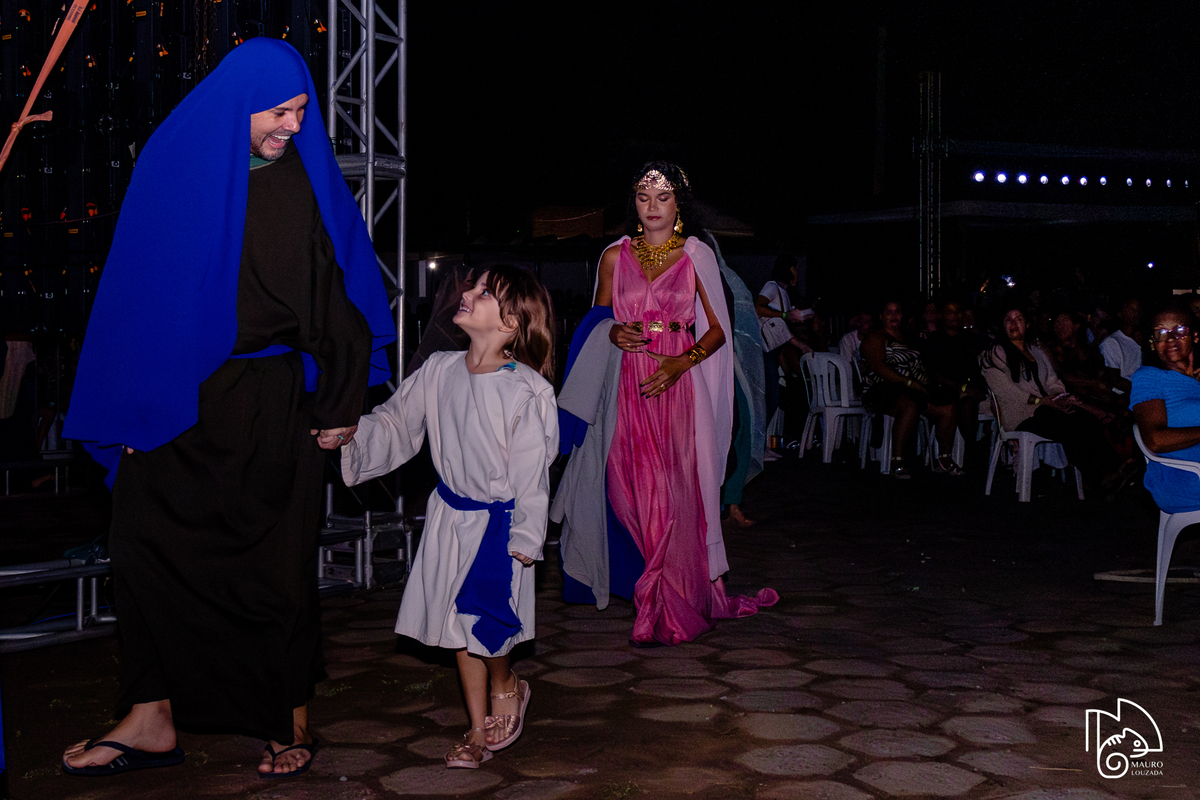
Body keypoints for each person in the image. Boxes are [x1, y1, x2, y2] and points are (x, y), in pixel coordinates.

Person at [60, 38, 395, 778]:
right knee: (141, 548)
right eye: (279, 112)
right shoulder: (171, 167)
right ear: (234, 106)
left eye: (302, 112)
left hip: (274, 403)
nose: (293, 129)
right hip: (178, 403)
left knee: (274, 569)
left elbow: (335, 296)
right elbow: (136, 301)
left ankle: (287, 719)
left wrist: (340, 401)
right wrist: (132, 413)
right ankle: (151, 717)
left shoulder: (298, 181)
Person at [337, 266, 558, 768]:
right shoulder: (438, 369)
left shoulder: (525, 390)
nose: (467, 293)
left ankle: (507, 681)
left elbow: (531, 473)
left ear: (509, 326)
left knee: (489, 623)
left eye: (484, 293)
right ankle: (477, 731)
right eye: (473, 287)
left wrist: (526, 529)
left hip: (498, 525)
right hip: (451, 517)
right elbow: (397, 423)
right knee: (459, 626)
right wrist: (353, 435)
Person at [555, 161, 776, 647]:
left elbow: (718, 331)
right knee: (628, 492)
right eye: (642, 196)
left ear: (680, 205)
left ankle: (667, 598)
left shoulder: (696, 256)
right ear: (632, 204)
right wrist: (614, 330)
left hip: (677, 385)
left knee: (673, 494)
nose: (652, 206)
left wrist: (682, 363)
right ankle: (649, 586)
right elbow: (597, 320)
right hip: (628, 386)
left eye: (663, 197)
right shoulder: (614, 256)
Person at [980, 305, 1134, 495]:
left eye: (1018, 319)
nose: (1013, 324)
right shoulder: (996, 354)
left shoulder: (1035, 350)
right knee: (1067, 423)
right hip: (1021, 414)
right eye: (1008, 320)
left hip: (1047, 408)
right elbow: (1004, 390)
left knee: (1080, 417)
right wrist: (1041, 401)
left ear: (1027, 324)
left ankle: (1114, 470)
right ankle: (1103, 476)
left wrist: (1060, 396)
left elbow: (1052, 380)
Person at [860, 299, 963, 477]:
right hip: (884, 389)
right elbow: (878, 367)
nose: (894, 316)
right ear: (881, 316)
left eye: (897, 311)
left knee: (948, 408)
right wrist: (909, 382)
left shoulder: (910, 336)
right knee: (910, 405)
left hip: (915, 388)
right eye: (889, 312)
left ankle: (944, 458)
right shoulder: (876, 337)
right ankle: (897, 460)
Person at [1131, 303, 1200, 512]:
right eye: (1161, 332)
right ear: (1153, 343)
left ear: (1195, 337)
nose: (1170, 338)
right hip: (1185, 480)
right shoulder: (1149, 378)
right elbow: (1155, 440)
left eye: (1180, 330)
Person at [755, 255, 809, 456]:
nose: (797, 274)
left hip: (773, 350)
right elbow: (757, 307)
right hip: (765, 351)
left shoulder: (783, 293)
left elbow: (781, 330)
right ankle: (757, 447)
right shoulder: (771, 287)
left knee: (772, 397)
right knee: (770, 398)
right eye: (795, 268)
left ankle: (760, 447)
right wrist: (786, 316)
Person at [1099, 297, 1144, 379]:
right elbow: (1115, 379)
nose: (1135, 314)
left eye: (1137, 310)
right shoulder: (1112, 342)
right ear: (1121, 313)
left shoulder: (1143, 340)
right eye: (1130, 310)